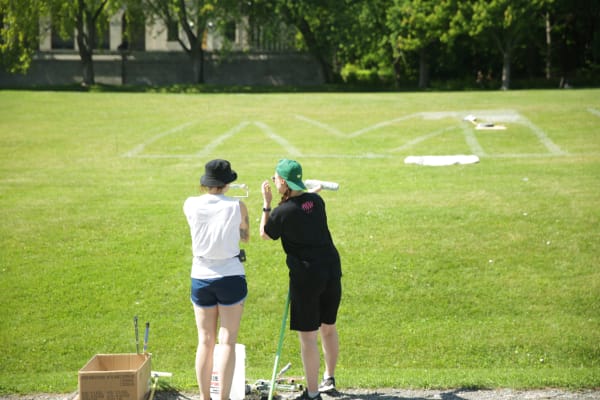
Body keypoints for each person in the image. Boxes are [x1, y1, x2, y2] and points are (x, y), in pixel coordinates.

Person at [260, 159, 342, 400]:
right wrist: (304, 195)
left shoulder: (282, 212)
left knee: (308, 337)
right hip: (331, 271)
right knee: (329, 327)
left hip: (307, 279)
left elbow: (266, 234)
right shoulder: (317, 201)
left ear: (284, 182)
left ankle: (313, 393)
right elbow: (305, 205)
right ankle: (329, 378)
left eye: (275, 178)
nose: (274, 182)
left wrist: (266, 205)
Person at [183, 159, 250, 400]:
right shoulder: (238, 207)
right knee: (227, 342)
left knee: (205, 341)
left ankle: (205, 397)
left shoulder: (190, 204)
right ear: (227, 182)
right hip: (231, 276)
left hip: (201, 276)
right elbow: (245, 238)